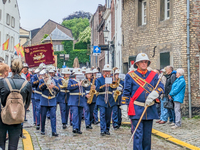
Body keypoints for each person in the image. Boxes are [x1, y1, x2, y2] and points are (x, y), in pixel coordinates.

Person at [122, 53, 164, 150]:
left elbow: (161, 87)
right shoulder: (131, 76)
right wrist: (124, 105)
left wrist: (155, 93)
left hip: (149, 109)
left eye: (145, 62)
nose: (144, 64)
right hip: (136, 109)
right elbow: (126, 91)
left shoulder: (153, 75)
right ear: (137, 64)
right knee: (138, 135)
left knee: (147, 136)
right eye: (142, 62)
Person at [0, 59, 32, 150]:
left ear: (10, 69)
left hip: (2, 116)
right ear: (22, 69)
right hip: (17, 118)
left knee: (1, 144)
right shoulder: (27, 84)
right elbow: (27, 103)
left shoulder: (3, 82)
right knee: (13, 146)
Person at [96, 64, 116, 136]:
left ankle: (107, 129)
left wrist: (114, 84)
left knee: (108, 116)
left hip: (110, 100)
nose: (107, 73)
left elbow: (114, 88)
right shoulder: (99, 79)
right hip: (102, 98)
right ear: (103, 71)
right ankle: (102, 129)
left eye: (108, 71)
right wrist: (104, 85)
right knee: (102, 114)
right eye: (106, 71)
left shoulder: (112, 79)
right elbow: (97, 88)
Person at [39, 68, 60, 136]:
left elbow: (58, 89)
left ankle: (54, 131)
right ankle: (42, 130)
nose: (50, 74)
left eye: (51, 73)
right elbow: (39, 88)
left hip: (52, 100)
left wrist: (53, 86)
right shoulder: (42, 80)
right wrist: (45, 83)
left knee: (53, 116)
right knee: (43, 116)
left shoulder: (55, 80)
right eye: (49, 73)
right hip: (44, 100)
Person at [67, 68, 88, 134]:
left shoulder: (83, 81)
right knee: (75, 114)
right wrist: (77, 84)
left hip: (81, 100)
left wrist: (86, 94)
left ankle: (78, 128)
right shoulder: (71, 80)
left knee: (79, 114)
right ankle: (75, 127)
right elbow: (69, 87)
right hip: (73, 100)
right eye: (77, 74)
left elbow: (85, 89)